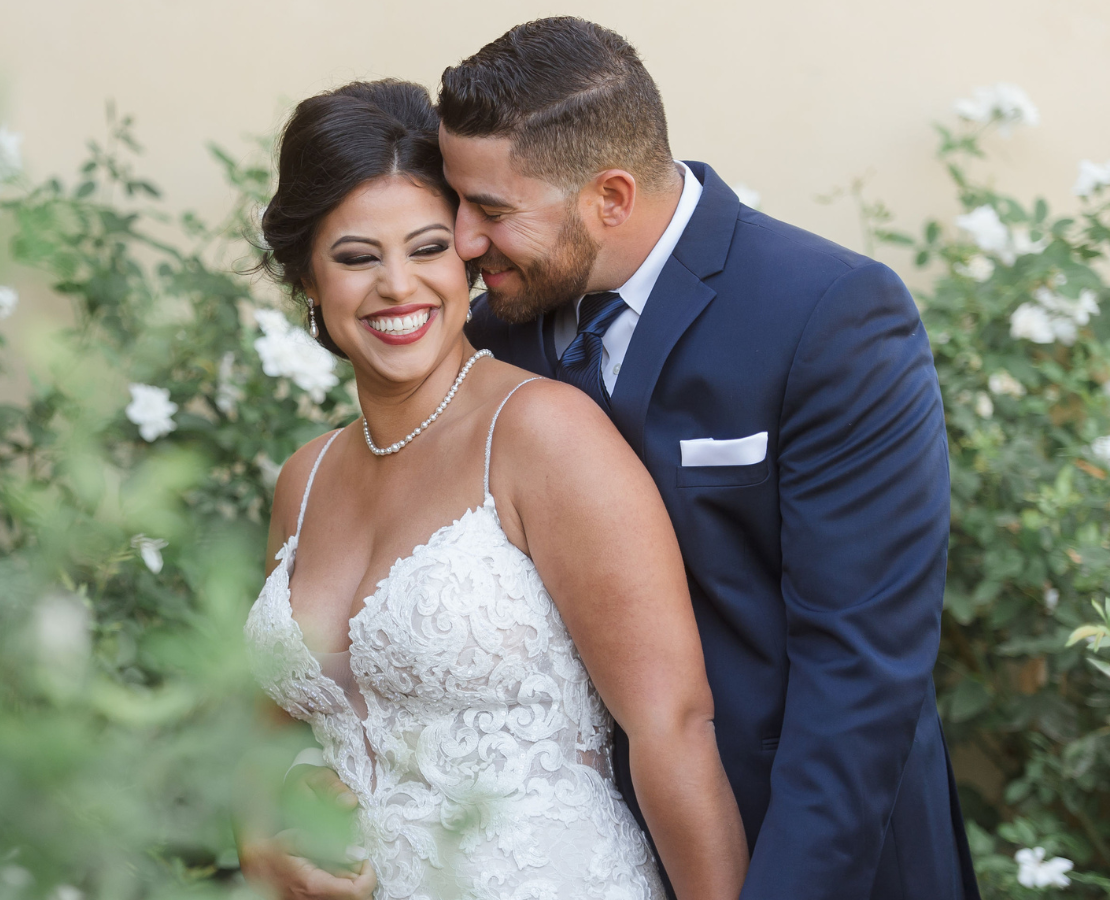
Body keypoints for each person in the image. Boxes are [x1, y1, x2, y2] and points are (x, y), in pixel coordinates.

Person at [439, 17, 979, 900]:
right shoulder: (501, 329)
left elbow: (861, 672)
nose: (463, 242)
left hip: (805, 850)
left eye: (492, 212)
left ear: (610, 197)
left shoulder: (831, 316)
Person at [238, 79, 747, 900]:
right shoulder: (307, 478)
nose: (398, 287)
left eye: (429, 248)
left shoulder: (543, 434)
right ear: (307, 277)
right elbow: (270, 736)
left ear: (470, 256)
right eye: (358, 257)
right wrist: (262, 840)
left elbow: (673, 729)